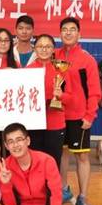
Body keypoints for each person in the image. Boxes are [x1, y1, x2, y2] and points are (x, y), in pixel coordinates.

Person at [55, 18, 102, 205]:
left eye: (72, 29)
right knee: (61, 154)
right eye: (64, 29)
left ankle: (83, 198)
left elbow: (95, 91)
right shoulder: (54, 56)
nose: (68, 33)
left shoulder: (87, 60)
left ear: (79, 34)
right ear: (60, 34)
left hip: (78, 116)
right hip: (57, 114)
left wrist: (90, 116)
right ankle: (63, 189)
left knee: (81, 156)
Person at [27, 34, 71, 169]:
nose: (44, 49)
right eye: (40, 46)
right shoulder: (28, 70)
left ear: (53, 49)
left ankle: (53, 184)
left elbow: (71, 97)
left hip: (55, 124)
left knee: (53, 163)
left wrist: (61, 96)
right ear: (35, 49)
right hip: (34, 124)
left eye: (48, 46)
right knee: (34, 163)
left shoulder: (62, 69)